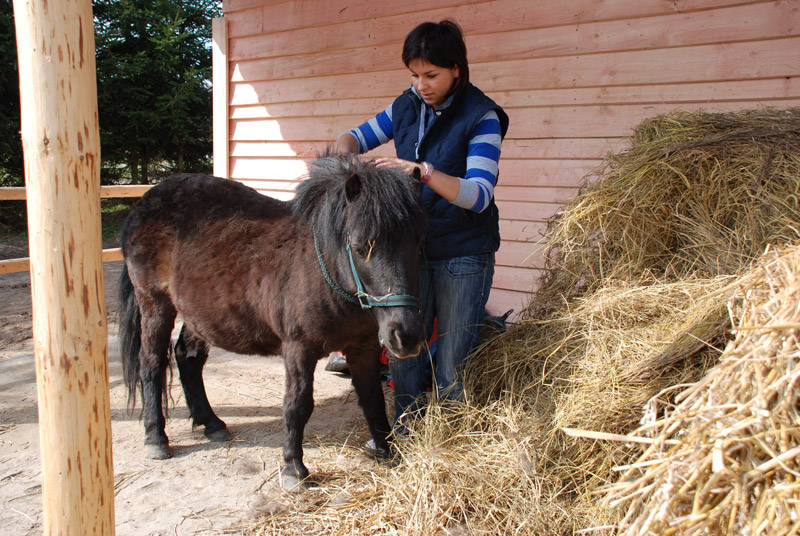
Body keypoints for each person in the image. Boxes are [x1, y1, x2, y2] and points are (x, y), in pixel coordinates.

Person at [334, 19, 509, 453]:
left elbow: (479, 195)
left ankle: (445, 450)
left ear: (456, 70)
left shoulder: (482, 117)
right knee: (405, 348)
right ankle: (406, 438)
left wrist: (423, 172)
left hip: (463, 252)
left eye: (431, 75)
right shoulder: (406, 106)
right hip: (412, 252)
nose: (421, 84)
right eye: (414, 74)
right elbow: (353, 137)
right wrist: (345, 161)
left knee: (452, 359)